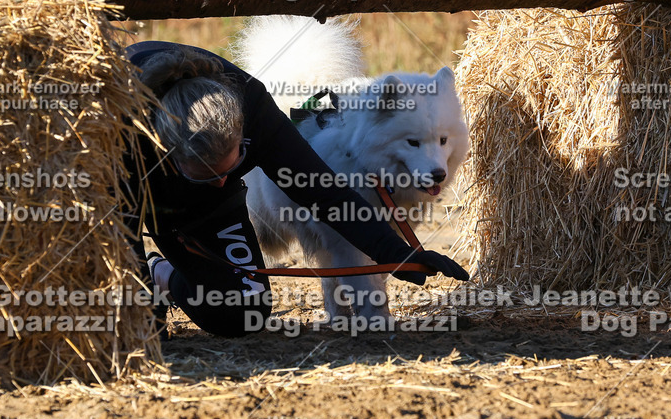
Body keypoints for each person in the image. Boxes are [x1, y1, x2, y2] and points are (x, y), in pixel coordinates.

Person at [122, 40, 468, 338]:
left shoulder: (256, 111)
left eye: (231, 167)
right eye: (206, 175)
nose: (222, 182)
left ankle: (162, 273)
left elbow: (327, 195)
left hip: (203, 206)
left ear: (243, 135)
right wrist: (139, 316)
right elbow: (117, 240)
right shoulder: (120, 135)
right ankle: (148, 283)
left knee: (243, 312)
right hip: (133, 199)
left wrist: (398, 254)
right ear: (166, 150)